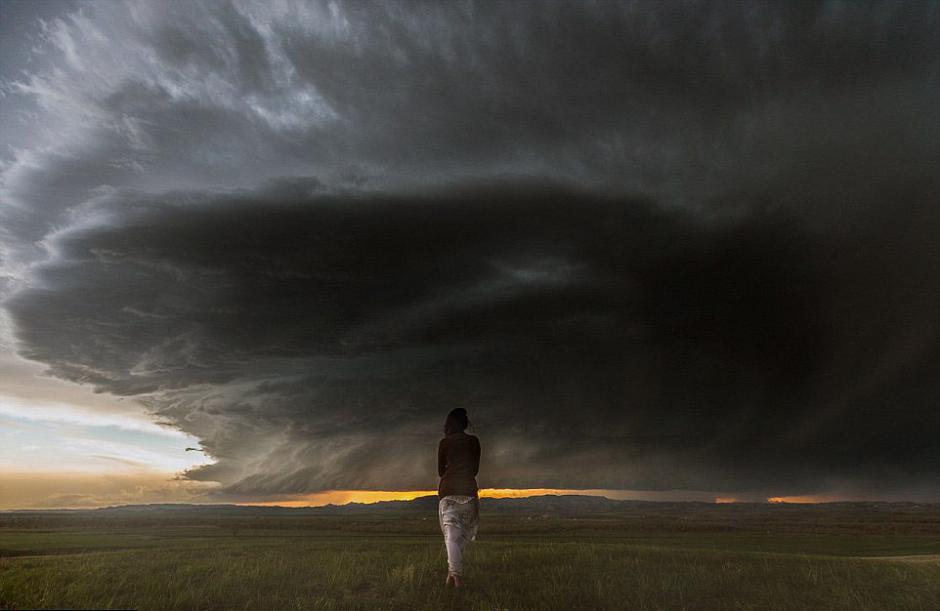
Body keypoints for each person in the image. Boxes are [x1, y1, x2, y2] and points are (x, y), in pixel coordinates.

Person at [437, 407, 480, 588]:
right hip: (469, 492)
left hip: (449, 492)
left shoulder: (444, 443)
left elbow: (440, 471)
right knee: (460, 537)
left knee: (451, 537)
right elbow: (475, 470)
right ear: (465, 424)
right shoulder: (474, 442)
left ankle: (455, 575)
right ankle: (452, 575)